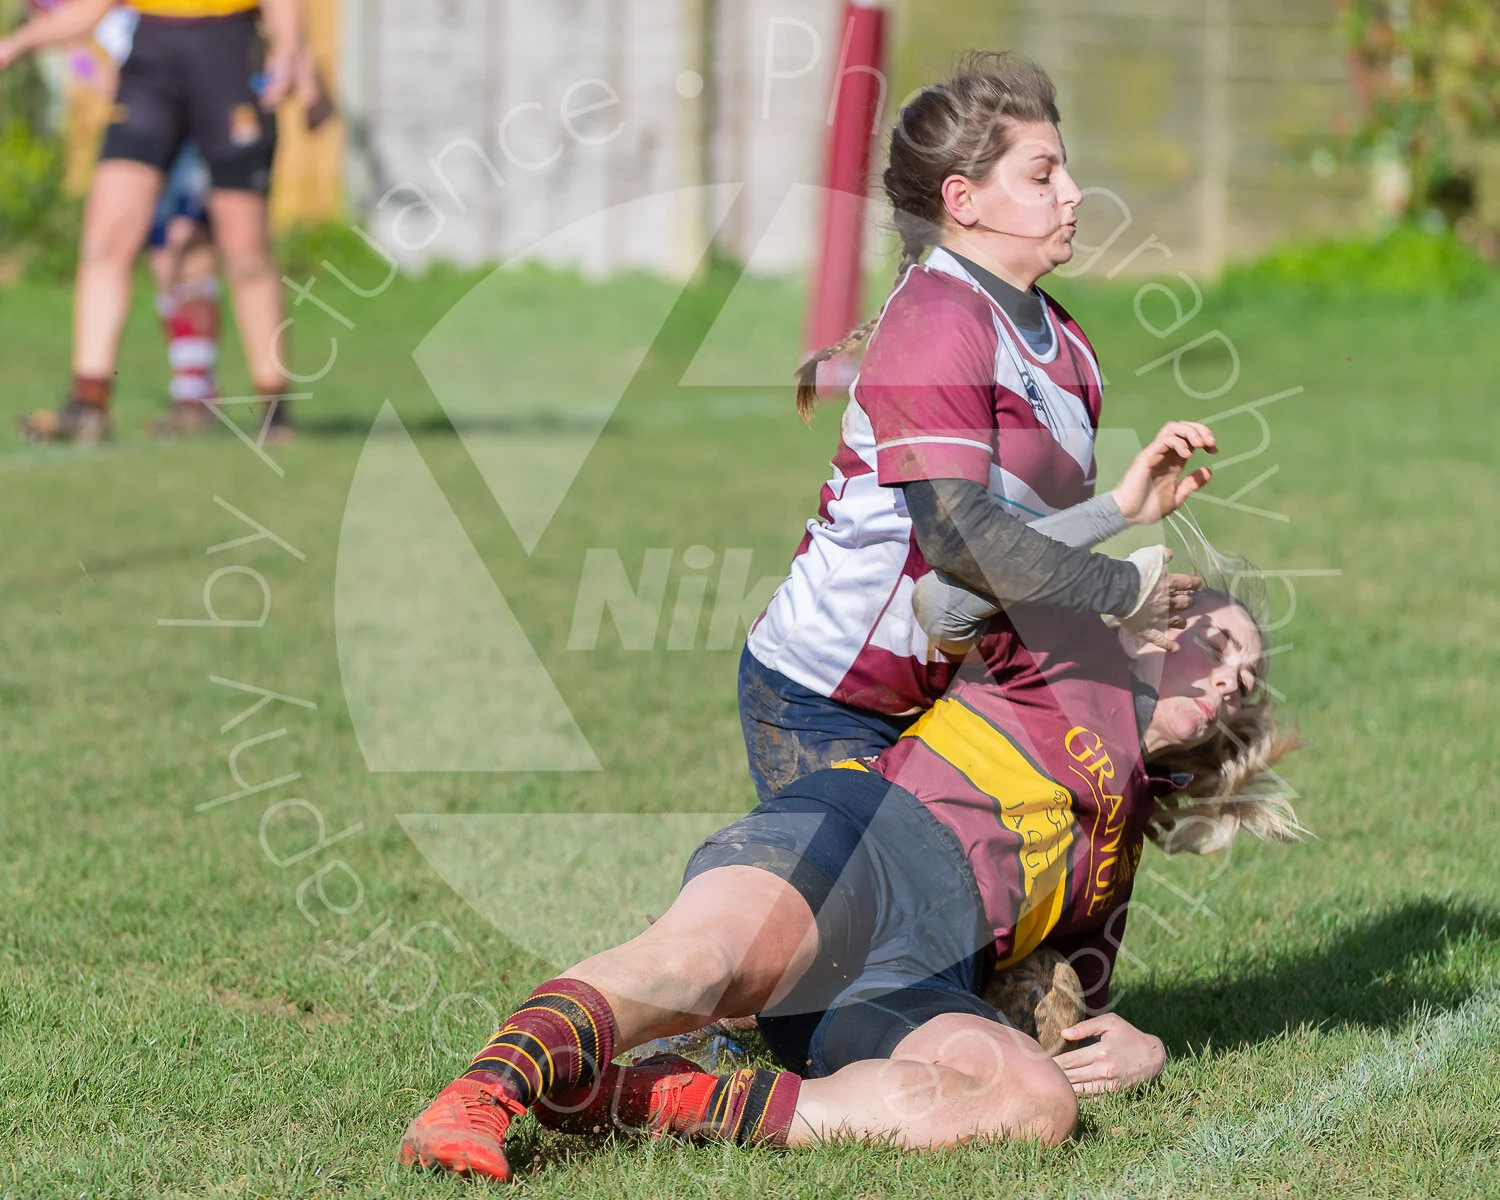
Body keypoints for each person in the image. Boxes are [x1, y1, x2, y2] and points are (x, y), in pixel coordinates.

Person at [396, 572, 1302, 1181]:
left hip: (917, 973)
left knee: (1035, 1101)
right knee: (705, 965)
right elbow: (946, 597)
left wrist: (1142, 1051)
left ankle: (672, 1099)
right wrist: (1111, 573)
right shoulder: (1062, 656)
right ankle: (483, 1094)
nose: (1232, 680)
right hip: (861, 839)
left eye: (1247, 676)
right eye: (1216, 648)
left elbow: (1067, 1008)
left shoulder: (1123, 842)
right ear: (1160, 627)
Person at [741, 52, 1216, 803]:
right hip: (826, 700)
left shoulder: (1067, 343)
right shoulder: (937, 323)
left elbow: (1017, 557)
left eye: (1065, 171)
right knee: (850, 917)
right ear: (963, 199)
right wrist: (1125, 589)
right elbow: (962, 545)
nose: (1073, 192)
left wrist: (1120, 510)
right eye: (1042, 176)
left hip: (944, 696)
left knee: (961, 913)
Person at [0, 0, 311, 444]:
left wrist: (288, 50)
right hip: (152, 62)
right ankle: (88, 401)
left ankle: (273, 406)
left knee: (245, 251)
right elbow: (90, 9)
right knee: (105, 240)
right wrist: (18, 43)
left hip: (228, 53)